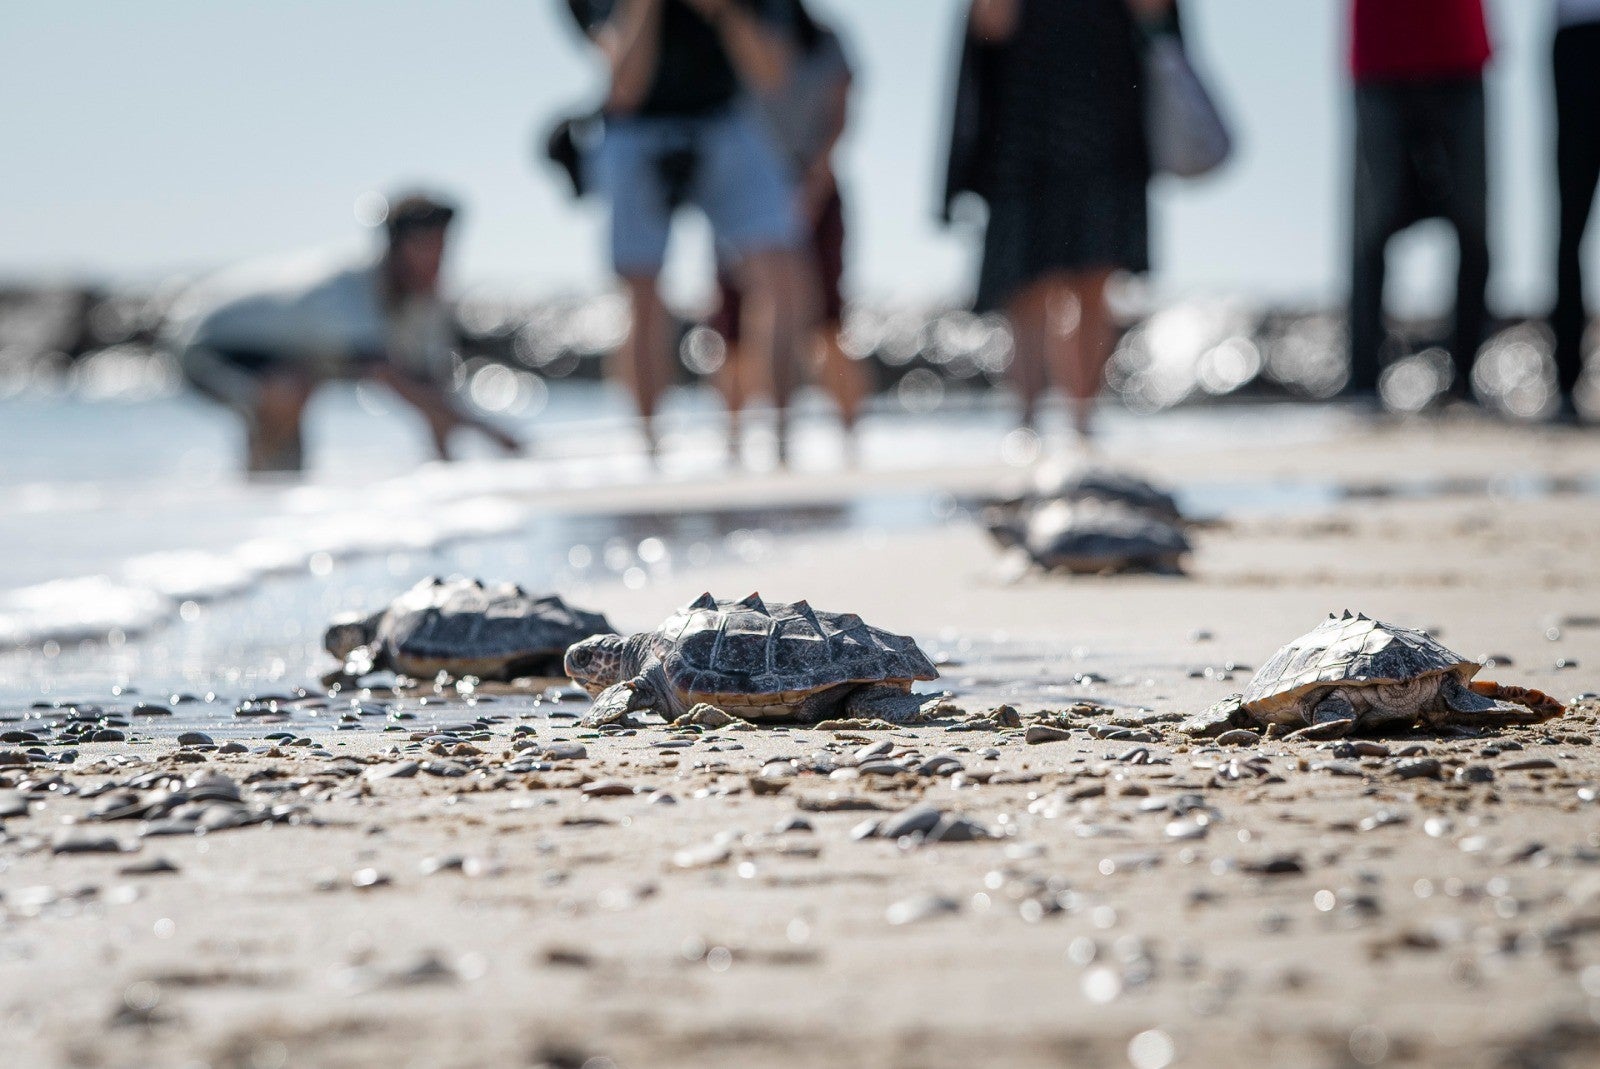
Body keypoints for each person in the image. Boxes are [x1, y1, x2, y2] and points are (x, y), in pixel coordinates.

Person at [570, 0, 808, 464]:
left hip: (726, 119)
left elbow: (773, 76)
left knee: (782, 276)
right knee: (641, 293)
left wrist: (727, 11)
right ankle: (649, 452)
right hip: (635, 129)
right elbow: (625, 85)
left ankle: (783, 443)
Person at [164, 193, 519, 474]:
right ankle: (250, 509)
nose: (435, 261)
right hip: (207, 345)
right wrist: (494, 436)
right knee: (286, 393)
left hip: (286, 362)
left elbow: (432, 390)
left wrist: (451, 475)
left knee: (289, 448)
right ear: (395, 247)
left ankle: (272, 506)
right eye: (424, 247)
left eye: (442, 248)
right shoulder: (350, 294)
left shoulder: (423, 303)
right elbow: (396, 382)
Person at [949, 0, 1168, 443]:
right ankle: (1027, 424)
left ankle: (1082, 421)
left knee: (1093, 280)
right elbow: (992, 22)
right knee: (1027, 283)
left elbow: (1155, 13)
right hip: (1025, 127)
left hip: (1105, 123)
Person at [710, 0, 867, 463]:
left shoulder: (824, 39)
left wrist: (813, 183)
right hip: (741, 194)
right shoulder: (731, 28)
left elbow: (840, 115)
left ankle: (850, 441)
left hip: (812, 186)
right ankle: (736, 446)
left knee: (826, 320)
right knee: (733, 327)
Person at [1346, 0, 1492, 405]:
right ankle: (1363, 383)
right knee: (1370, 229)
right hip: (1378, 51)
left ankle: (1467, 383)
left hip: (1459, 47)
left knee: (1474, 224)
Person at [1551, 0, 1600, 422]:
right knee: (1571, 220)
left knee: (1570, 225)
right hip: (1576, 33)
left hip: (1574, 35)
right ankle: (1566, 383)